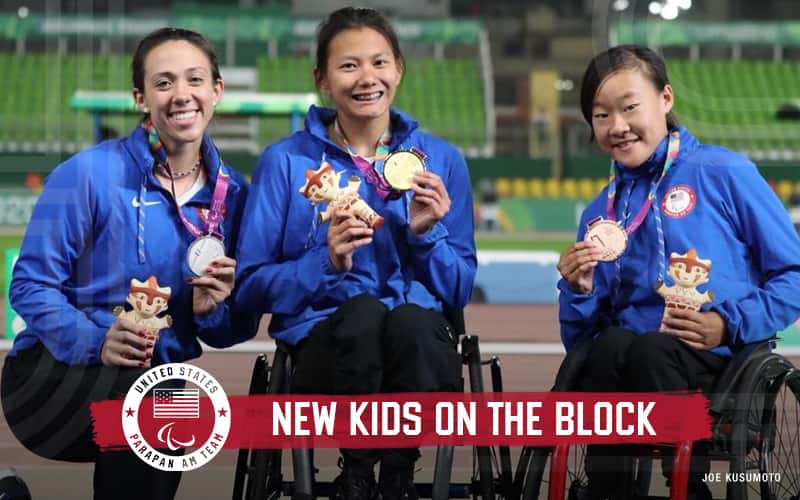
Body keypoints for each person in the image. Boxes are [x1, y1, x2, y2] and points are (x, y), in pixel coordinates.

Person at [1, 27, 255, 500]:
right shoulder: (85, 174)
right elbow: (30, 285)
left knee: (170, 397)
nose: (182, 94)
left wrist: (212, 310)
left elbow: (229, 331)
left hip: (157, 382)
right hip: (53, 377)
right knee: (157, 400)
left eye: (195, 79)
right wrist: (96, 341)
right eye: (164, 82)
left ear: (216, 90)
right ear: (141, 98)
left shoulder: (235, 196)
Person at [235, 7, 475, 500]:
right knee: (362, 316)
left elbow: (458, 289)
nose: (367, 78)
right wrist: (326, 261)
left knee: (409, 323)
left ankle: (397, 473)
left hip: (419, 349)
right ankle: (359, 473)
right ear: (322, 79)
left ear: (399, 70)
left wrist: (427, 235)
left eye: (379, 62)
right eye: (349, 65)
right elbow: (251, 285)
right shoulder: (284, 162)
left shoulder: (442, 162)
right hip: (326, 347)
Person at [556, 45, 800, 500]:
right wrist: (579, 291)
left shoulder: (723, 172)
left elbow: (794, 275)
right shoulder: (600, 212)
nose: (617, 126)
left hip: (720, 363)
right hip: (629, 365)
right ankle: (607, 488)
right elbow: (579, 341)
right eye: (601, 115)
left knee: (652, 351)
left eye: (630, 107)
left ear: (665, 98)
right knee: (607, 347)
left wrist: (726, 323)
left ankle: (691, 488)